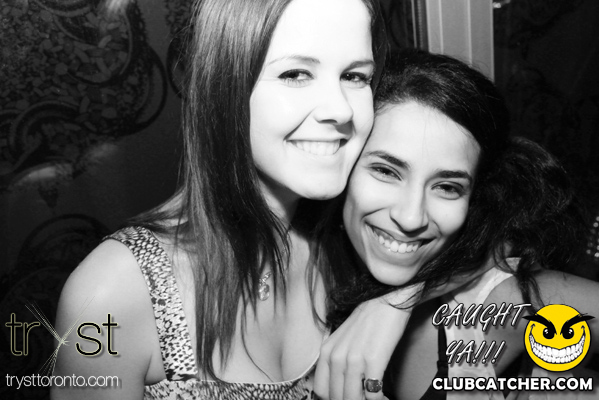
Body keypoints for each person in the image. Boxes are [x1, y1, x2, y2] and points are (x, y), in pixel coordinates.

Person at [51, 0, 387, 398]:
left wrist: (390, 307)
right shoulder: (113, 293)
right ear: (223, 89)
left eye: (354, 76)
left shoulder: (348, 239)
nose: (340, 109)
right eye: (296, 74)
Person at [315, 50, 599, 400]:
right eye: (386, 171)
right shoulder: (302, 262)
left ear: (474, 197)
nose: (411, 217)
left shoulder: (503, 301)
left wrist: (396, 301)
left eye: (447, 187)